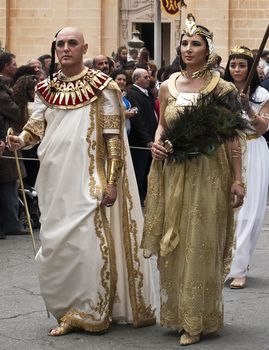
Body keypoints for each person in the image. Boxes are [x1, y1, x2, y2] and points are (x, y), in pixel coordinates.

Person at [8, 27, 155, 336]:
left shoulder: (105, 87)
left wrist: (112, 180)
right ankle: (67, 308)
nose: (65, 48)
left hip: (90, 179)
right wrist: (19, 140)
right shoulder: (45, 88)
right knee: (57, 245)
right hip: (54, 178)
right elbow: (36, 127)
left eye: (71, 43)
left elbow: (114, 138)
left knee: (87, 245)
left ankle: (92, 312)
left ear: (84, 48)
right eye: (60, 43)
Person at [141, 15, 245, 346]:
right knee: (177, 241)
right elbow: (163, 123)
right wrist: (157, 142)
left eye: (195, 44)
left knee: (201, 242)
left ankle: (197, 320)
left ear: (208, 50)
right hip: (173, 172)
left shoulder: (222, 88)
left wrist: (238, 179)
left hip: (210, 173)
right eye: (184, 43)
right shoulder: (167, 85)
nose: (188, 48)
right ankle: (177, 313)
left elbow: (232, 138)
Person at [223, 46, 269, 288]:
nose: (237, 70)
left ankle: (239, 268)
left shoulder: (262, 93)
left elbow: (262, 128)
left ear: (251, 68)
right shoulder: (222, 91)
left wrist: (248, 108)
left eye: (242, 65)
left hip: (254, 150)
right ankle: (227, 263)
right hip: (228, 150)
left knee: (249, 211)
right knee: (228, 210)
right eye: (233, 65)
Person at [126, 68, 158, 206]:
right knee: (140, 171)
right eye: (145, 77)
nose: (148, 79)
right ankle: (139, 199)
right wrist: (147, 139)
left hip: (150, 138)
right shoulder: (133, 94)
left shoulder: (146, 93)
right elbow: (138, 120)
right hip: (140, 142)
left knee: (147, 172)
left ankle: (145, 196)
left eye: (149, 76)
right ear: (136, 79)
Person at [110, 69, 137, 134]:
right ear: (113, 81)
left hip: (126, 131)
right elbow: (109, 114)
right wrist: (124, 114)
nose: (122, 82)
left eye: (124, 80)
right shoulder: (110, 96)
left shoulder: (122, 94)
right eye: (119, 79)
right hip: (116, 132)